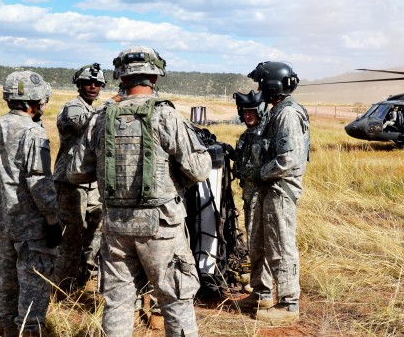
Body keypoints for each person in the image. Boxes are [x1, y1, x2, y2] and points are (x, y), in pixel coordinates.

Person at [67, 46, 212, 337]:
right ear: (155, 78)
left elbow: (75, 171)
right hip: (161, 227)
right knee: (175, 300)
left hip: (116, 226)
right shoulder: (166, 115)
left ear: (121, 76)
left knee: (118, 303)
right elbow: (198, 170)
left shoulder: (100, 118)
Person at [0, 71, 61, 337]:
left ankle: (5, 327)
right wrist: (53, 220)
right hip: (31, 227)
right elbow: (40, 182)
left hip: (1, 222)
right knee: (33, 282)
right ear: (35, 100)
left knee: (6, 279)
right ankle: (29, 330)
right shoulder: (34, 133)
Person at [242, 61, 310, 324]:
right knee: (259, 243)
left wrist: (258, 173)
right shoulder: (276, 111)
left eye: (261, 83)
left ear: (271, 85)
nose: (259, 88)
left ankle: (289, 304)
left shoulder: (287, 115)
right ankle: (262, 294)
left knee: (281, 245)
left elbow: (288, 160)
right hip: (268, 190)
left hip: (280, 191)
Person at [53, 63, 105, 292]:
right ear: (79, 85)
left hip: (92, 182)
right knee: (71, 235)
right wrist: (112, 106)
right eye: (88, 83)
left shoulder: (98, 109)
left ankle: (85, 277)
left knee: (95, 232)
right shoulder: (73, 107)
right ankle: (63, 285)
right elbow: (84, 122)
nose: (92, 87)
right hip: (70, 182)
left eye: (97, 84)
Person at [232, 90, 273, 307]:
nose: (248, 115)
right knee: (253, 245)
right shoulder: (247, 136)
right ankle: (258, 291)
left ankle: (264, 293)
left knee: (260, 245)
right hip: (249, 197)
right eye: (245, 111)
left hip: (262, 197)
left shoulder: (266, 134)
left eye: (252, 111)